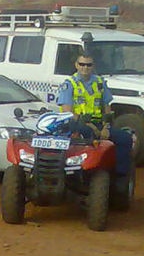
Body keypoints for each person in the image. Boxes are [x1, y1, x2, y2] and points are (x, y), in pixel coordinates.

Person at [57, 52, 133, 190]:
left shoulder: (99, 82)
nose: (85, 67)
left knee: (125, 139)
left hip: (99, 123)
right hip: (77, 124)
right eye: (82, 64)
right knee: (89, 138)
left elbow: (107, 108)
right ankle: (86, 174)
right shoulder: (69, 84)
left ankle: (118, 177)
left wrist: (106, 127)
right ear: (76, 65)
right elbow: (68, 111)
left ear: (93, 66)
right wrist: (92, 127)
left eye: (88, 65)